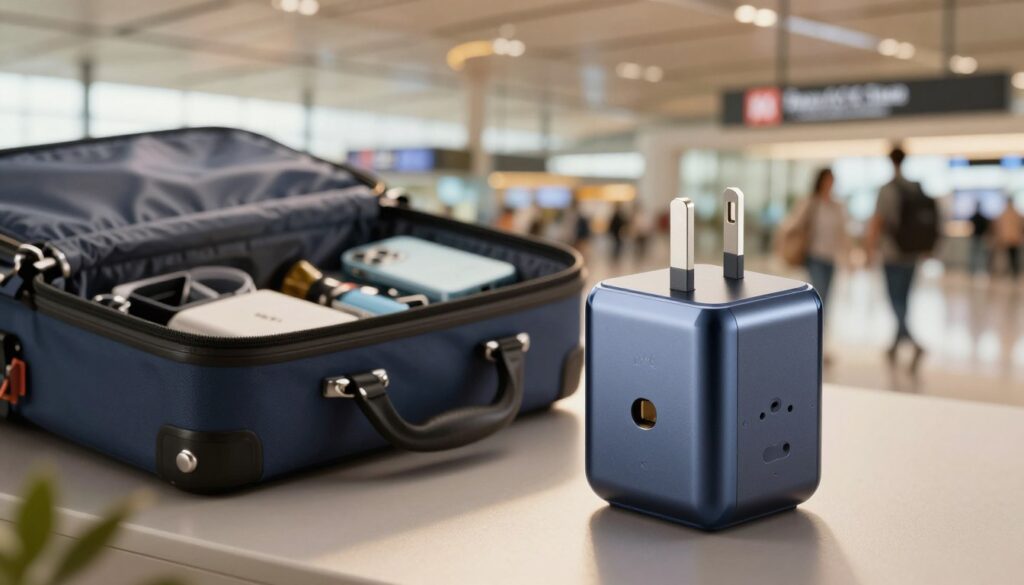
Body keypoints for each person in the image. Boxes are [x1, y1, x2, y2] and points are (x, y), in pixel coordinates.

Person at [865, 146, 936, 371]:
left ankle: (914, 343)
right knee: (904, 300)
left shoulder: (887, 190)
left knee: (895, 300)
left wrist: (870, 249)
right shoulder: (914, 188)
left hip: (892, 253)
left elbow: (878, 221)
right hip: (911, 253)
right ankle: (895, 345)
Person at [793, 168, 850, 310]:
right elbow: (796, 224)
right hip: (814, 254)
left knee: (827, 294)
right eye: (828, 180)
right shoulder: (810, 202)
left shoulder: (837, 206)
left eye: (832, 180)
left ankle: (820, 321)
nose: (830, 183)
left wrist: (848, 255)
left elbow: (843, 232)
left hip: (831, 256)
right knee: (819, 290)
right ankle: (815, 320)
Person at [992, 198, 1023, 278]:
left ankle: (1011, 271)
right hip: (1010, 239)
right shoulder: (1014, 214)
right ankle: (1011, 271)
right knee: (1011, 257)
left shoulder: (1006, 214)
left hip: (1010, 239)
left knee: (1010, 257)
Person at [968, 203, 991, 275]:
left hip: (978, 237)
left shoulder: (975, 217)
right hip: (979, 237)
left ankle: (976, 269)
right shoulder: (982, 218)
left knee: (976, 254)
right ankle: (979, 269)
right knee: (979, 254)